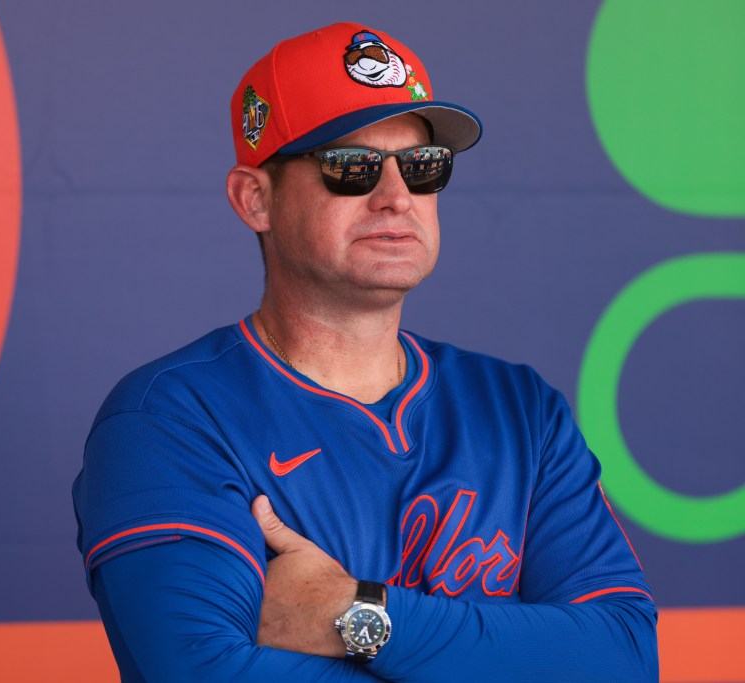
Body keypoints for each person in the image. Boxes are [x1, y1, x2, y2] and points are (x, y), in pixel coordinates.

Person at [73, 22, 658, 682]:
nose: (397, 197)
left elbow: (624, 658)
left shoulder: (522, 410)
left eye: (423, 166)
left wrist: (354, 613)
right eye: (351, 167)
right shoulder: (168, 420)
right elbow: (205, 672)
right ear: (255, 199)